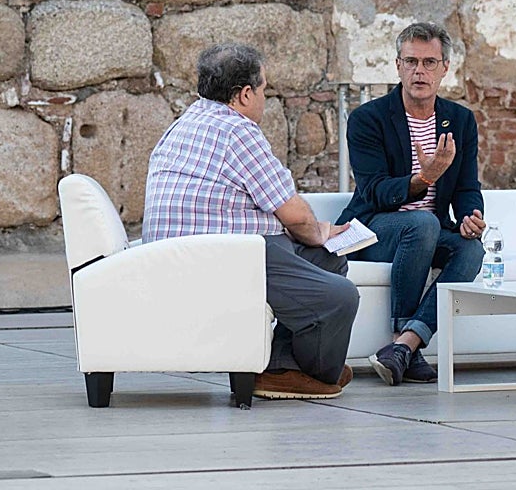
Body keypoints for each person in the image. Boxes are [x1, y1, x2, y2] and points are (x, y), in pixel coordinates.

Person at [144, 43, 359, 399]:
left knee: (329, 258)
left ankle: (281, 365)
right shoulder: (237, 131)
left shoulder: (186, 122)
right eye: (263, 89)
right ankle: (313, 373)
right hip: (224, 258)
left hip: (181, 256)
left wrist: (318, 238)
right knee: (340, 297)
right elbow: (293, 213)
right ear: (244, 94)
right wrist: (319, 231)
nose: (264, 97)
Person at [338, 22, 485, 386]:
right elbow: (373, 190)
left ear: (445, 68)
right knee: (422, 223)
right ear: (398, 65)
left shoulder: (461, 121)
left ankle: (404, 345)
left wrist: (471, 216)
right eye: (412, 61)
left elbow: (467, 185)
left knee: (471, 249)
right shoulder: (367, 119)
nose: (420, 71)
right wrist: (423, 179)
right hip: (375, 231)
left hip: (429, 232)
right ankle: (405, 342)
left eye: (430, 62)